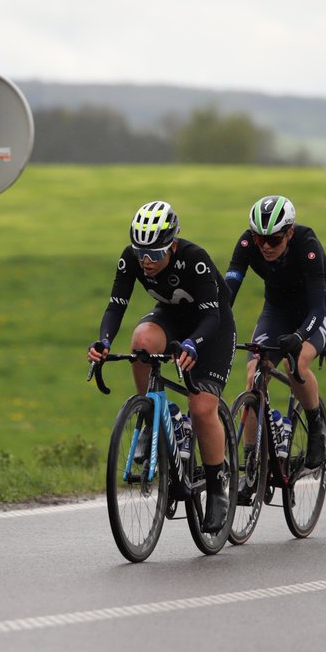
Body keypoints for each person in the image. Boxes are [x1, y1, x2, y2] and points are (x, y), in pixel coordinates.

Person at [88, 200, 237, 533]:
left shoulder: (195, 260)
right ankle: (155, 417)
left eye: (154, 254)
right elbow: (116, 306)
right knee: (141, 340)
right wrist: (104, 342)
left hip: (210, 326)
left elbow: (212, 316)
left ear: (172, 244)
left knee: (201, 408)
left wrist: (192, 345)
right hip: (171, 317)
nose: (146, 261)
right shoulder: (132, 260)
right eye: (141, 251)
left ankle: (216, 489)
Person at [224, 195, 326, 469]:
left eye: (273, 240)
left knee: (294, 363)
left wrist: (299, 337)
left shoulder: (307, 244)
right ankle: (252, 463)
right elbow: (229, 290)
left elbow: (318, 308)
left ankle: (315, 426)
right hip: (276, 309)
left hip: (316, 308)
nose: (264, 246)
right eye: (259, 238)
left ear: (289, 232)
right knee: (253, 377)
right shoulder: (247, 243)